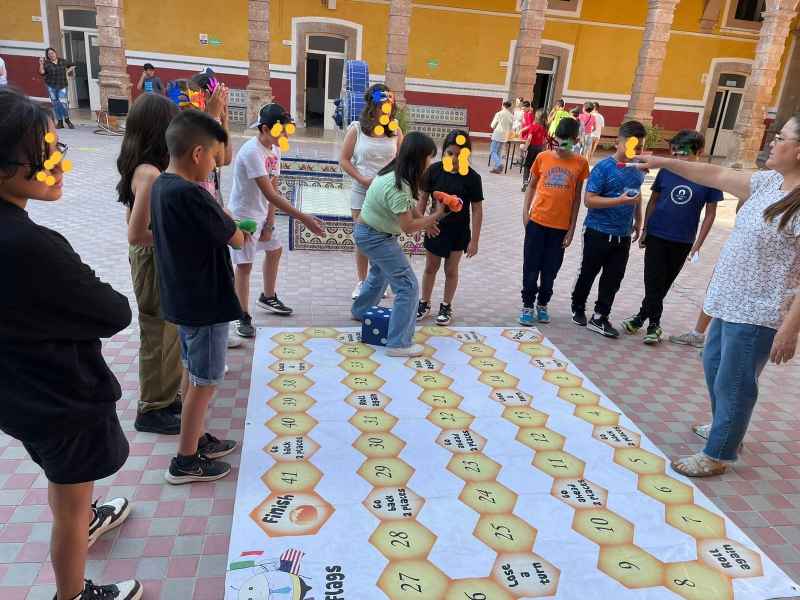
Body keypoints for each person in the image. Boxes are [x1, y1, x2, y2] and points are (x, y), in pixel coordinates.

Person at [0, 88, 140, 600]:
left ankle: (88, 519)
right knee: (69, 504)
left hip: (18, 395)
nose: (59, 165)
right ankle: (73, 592)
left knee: (66, 484)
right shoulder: (29, 246)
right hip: (57, 399)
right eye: (42, 156)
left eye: (56, 148)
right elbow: (113, 312)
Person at [635, 114, 800, 477]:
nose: (772, 142)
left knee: (735, 382)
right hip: (729, 301)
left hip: (759, 311)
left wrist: (790, 330)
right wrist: (663, 161)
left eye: (781, 137)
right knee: (714, 366)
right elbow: (715, 175)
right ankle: (728, 426)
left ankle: (719, 452)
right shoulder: (769, 182)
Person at [150, 109, 243, 483]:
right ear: (198, 154)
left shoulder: (162, 185)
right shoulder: (191, 194)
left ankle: (196, 437)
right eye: (215, 159)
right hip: (206, 303)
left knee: (194, 374)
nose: (215, 167)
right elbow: (235, 237)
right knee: (205, 382)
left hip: (184, 298)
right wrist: (237, 227)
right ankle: (185, 460)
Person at [116, 93, 183, 435]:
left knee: (169, 330)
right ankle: (153, 408)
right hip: (153, 261)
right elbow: (136, 232)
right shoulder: (150, 174)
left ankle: (167, 396)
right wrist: (183, 236)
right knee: (158, 331)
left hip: (156, 259)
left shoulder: (146, 168)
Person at [229, 103, 325, 337]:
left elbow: (274, 186)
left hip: (261, 214)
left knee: (274, 249)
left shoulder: (274, 148)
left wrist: (270, 223)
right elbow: (270, 194)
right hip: (244, 216)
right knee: (244, 266)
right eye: (281, 130)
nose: (285, 135)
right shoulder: (252, 152)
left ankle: (268, 297)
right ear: (264, 129)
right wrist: (303, 218)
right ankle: (241, 315)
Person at [622, 130, 721, 345]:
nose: (677, 156)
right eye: (675, 152)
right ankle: (654, 325)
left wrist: (698, 244)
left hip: (683, 240)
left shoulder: (709, 177)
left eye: (683, 152)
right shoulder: (666, 171)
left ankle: (639, 318)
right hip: (657, 234)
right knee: (653, 281)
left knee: (663, 284)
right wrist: (645, 229)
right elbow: (653, 200)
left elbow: (710, 214)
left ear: (699, 152)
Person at [352, 132, 446, 357]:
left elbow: (409, 207)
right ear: (418, 159)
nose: (430, 163)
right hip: (376, 237)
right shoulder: (398, 186)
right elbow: (408, 226)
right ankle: (398, 343)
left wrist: (426, 222)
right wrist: (436, 215)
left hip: (368, 232)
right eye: (429, 158)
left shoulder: (393, 174)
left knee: (380, 274)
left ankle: (361, 311)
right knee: (408, 286)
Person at [571, 120, 647, 338]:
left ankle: (600, 316)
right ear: (618, 142)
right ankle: (578, 306)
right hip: (597, 231)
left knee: (614, 277)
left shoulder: (638, 169)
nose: (635, 151)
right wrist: (619, 201)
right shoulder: (603, 168)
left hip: (622, 234)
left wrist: (638, 219)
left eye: (639, 147)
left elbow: (636, 194)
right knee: (588, 272)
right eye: (631, 145)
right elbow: (589, 200)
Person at [520, 117, 589, 326]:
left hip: (560, 228)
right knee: (531, 266)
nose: (560, 145)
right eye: (557, 140)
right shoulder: (543, 157)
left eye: (566, 141)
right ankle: (527, 305)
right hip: (537, 222)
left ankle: (542, 303)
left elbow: (576, 198)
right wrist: (525, 212)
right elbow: (532, 185)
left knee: (550, 270)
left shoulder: (581, 163)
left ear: (576, 141)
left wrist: (571, 228)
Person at [340, 83, 403, 300]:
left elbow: (402, 161)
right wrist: (362, 179)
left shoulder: (395, 130)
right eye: (381, 104)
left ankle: (377, 281)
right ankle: (362, 281)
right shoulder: (357, 129)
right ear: (372, 106)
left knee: (383, 237)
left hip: (386, 193)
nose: (386, 108)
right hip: (362, 189)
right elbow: (344, 160)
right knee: (363, 238)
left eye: (389, 104)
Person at [416, 130, 484, 326]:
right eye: (450, 153)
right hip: (435, 229)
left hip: (458, 232)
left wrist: (474, 240)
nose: (454, 158)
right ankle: (424, 302)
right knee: (431, 267)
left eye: (460, 154)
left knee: (451, 270)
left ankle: (446, 306)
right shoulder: (433, 171)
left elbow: (477, 210)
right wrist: (422, 223)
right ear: (443, 151)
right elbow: (422, 199)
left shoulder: (473, 178)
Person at [39, 47, 75, 129]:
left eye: (52, 53)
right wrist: (41, 64)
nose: (51, 55)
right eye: (49, 54)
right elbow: (42, 72)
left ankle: (67, 119)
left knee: (63, 103)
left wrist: (67, 72)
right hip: (51, 86)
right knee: (56, 104)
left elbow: (73, 65)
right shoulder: (46, 63)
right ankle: (60, 122)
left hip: (62, 85)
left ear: (55, 53)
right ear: (47, 56)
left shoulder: (62, 61)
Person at [521, 109, 548, 192]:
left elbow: (529, 139)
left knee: (527, 165)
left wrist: (525, 148)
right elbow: (544, 141)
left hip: (532, 148)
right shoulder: (544, 128)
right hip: (539, 149)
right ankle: (531, 183)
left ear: (536, 117)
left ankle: (525, 181)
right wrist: (544, 150)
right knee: (535, 166)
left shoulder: (533, 126)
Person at [489, 100, 514, 173]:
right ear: (509, 107)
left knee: (493, 151)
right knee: (499, 152)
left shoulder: (499, 114)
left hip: (497, 134)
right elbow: (511, 127)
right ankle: (497, 168)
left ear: (503, 105)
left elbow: (493, 125)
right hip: (505, 135)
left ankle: (499, 164)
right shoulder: (511, 115)